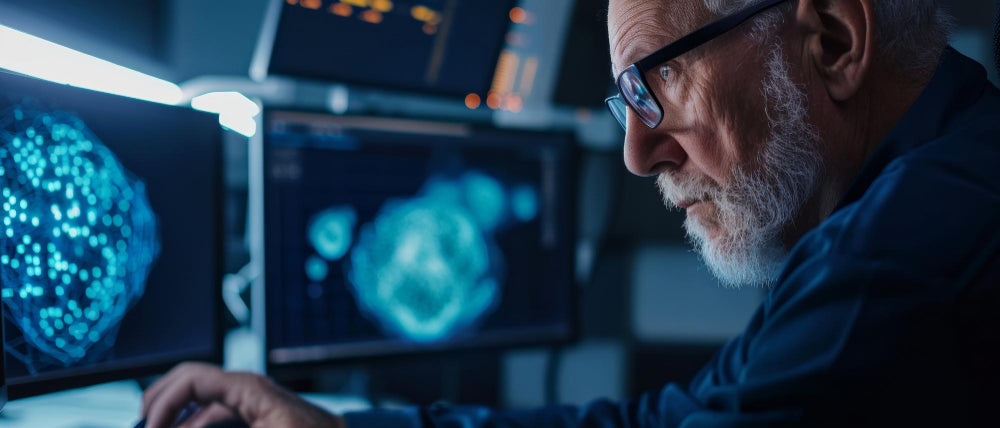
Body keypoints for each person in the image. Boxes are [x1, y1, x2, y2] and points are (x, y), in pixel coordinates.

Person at [141, 0, 1000, 426]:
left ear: (833, 44)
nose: (637, 153)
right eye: (624, 100)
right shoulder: (919, 186)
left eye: (655, 84)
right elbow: (665, 421)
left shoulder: (898, 259)